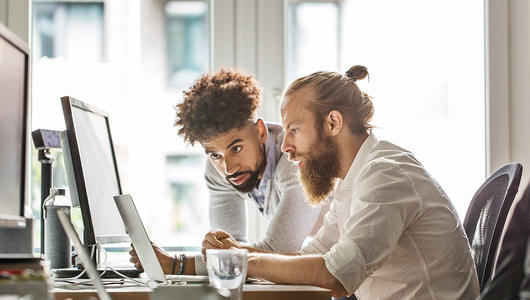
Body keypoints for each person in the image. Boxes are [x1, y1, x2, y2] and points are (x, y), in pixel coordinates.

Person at [201, 65, 480, 299]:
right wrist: (233, 253)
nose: (285, 146)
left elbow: (335, 275)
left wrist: (241, 260)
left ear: (333, 123)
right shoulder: (355, 180)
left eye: (294, 130)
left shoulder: (385, 174)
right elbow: (310, 256)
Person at [129, 69, 326, 275]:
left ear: (260, 132)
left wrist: (176, 264)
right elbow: (228, 252)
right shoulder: (218, 171)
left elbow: (276, 254)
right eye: (215, 155)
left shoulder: (294, 158)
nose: (229, 168)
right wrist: (218, 255)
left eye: (236, 148)